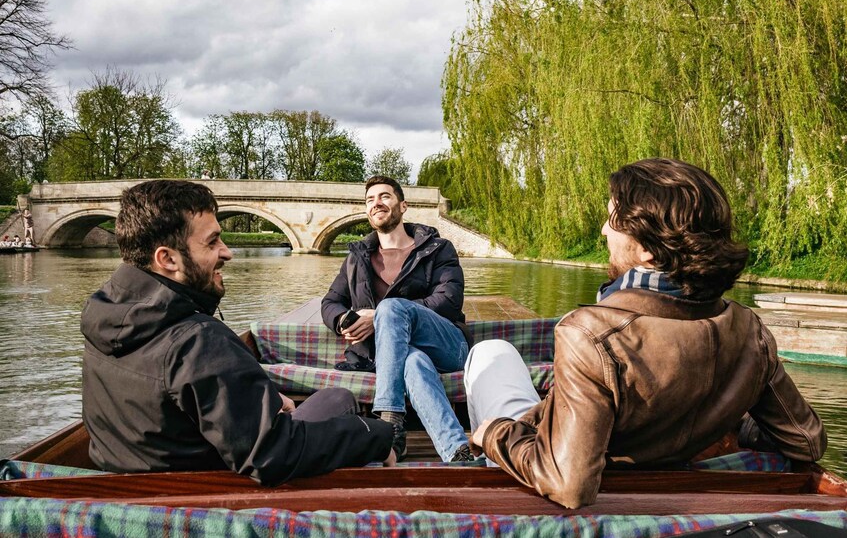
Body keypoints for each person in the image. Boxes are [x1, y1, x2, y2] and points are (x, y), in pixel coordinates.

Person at [464, 158, 827, 508]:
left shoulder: (588, 332)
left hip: (589, 474)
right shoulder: (751, 330)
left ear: (648, 251)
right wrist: (723, 416)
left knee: (491, 352)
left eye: (612, 219)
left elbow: (567, 483)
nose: (603, 230)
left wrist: (495, 432)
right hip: (670, 461)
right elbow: (806, 441)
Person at [81, 180, 393, 484]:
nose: (227, 252)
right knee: (340, 401)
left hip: (130, 485)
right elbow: (272, 454)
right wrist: (376, 436)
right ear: (168, 259)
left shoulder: (105, 318)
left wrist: (262, 398)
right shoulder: (197, 340)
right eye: (212, 241)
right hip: (210, 493)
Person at [321, 175, 473, 463]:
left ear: (403, 206)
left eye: (385, 196)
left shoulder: (437, 249)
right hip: (394, 356)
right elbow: (331, 302)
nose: (376, 203)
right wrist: (345, 320)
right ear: (367, 212)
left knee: (391, 308)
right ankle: (456, 450)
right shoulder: (356, 258)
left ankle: (389, 423)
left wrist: (380, 316)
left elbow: (449, 301)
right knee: (413, 362)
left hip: (447, 345)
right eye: (369, 200)